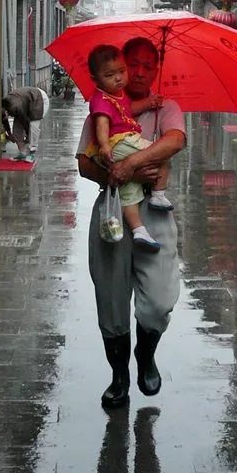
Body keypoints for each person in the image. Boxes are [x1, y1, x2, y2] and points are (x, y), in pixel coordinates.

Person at [77, 37, 186, 409]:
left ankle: (146, 353)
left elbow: (174, 140)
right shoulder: (102, 107)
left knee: (158, 300)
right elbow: (84, 162)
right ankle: (119, 375)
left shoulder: (165, 107)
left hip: (154, 216)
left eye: (144, 66)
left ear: (155, 70)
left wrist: (131, 165)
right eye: (130, 65)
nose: (136, 73)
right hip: (112, 214)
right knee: (110, 298)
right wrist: (114, 173)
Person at [85, 43, 173, 254]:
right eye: (110, 74)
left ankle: (139, 230)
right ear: (96, 79)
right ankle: (158, 195)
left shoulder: (119, 96)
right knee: (158, 153)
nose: (119, 78)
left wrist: (150, 103)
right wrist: (107, 147)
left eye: (121, 72)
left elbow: (129, 110)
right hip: (120, 143)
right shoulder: (101, 100)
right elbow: (102, 125)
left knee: (129, 193)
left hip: (121, 150)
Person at [1, 86, 49, 162]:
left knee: (33, 127)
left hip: (38, 99)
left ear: (6, 112)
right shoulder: (2, 107)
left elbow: (25, 122)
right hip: (25, 102)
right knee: (16, 130)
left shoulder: (16, 107)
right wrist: (10, 134)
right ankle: (22, 153)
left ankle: (32, 153)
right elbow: (4, 121)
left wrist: (27, 135)